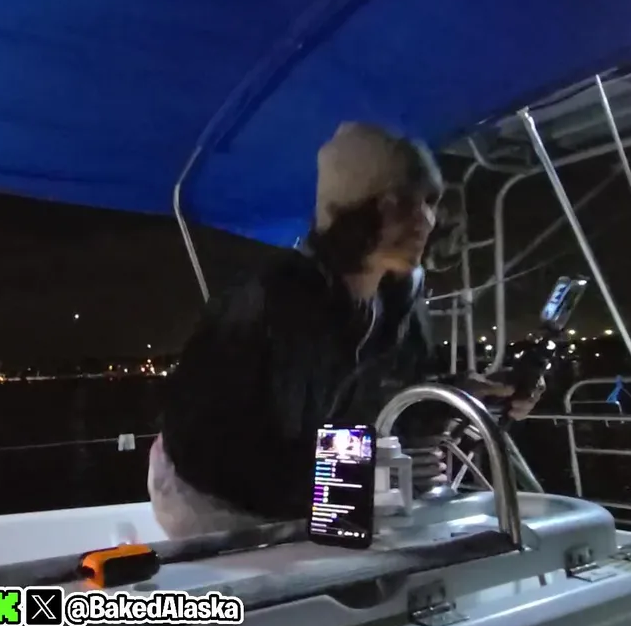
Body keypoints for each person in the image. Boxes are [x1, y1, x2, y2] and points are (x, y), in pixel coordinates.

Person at [149, 122, 542, 538]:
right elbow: (211, 451)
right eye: (398, 203)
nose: (424, 220)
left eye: (430, 201)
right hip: (210, 501)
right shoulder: (269, 301)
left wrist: (463, 396)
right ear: (350, 210)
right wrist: (355, 478)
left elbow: (394, 400)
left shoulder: (401, 299)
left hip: (318, 488)